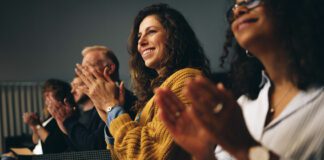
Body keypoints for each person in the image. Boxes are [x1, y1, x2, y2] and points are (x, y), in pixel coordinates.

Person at [156, 0, 324, 159]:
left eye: (251, 1)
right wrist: (205, 154)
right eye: (235, 6)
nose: (238, 10)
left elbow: (246, 150)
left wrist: (246, 149)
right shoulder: (241, 106)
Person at [75, 3, 211, 159]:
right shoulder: (151, 97)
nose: (140, 42)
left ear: (175, 36)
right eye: (139, 37)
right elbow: (124, 155)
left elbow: (147, 154)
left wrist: (111, 107)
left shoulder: (188, 79)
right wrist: (108, 114)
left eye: (151, 32)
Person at [48, 45, 136, 151]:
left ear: (110, 68)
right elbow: (79, 149)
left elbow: (95, 148)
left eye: (87, 67)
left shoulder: (122, 99)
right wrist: (65, 127)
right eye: (82, 68)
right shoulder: (96, 104)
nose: (82, 74)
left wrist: (68, 121)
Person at [25, 79, 71, 154]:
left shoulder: (62, 118)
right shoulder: (49, 118)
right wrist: (34, 126)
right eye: (45, 96)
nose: (46, 100)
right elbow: (36, 141)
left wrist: (37, 125)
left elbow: (52, 145)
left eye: (48, 96)